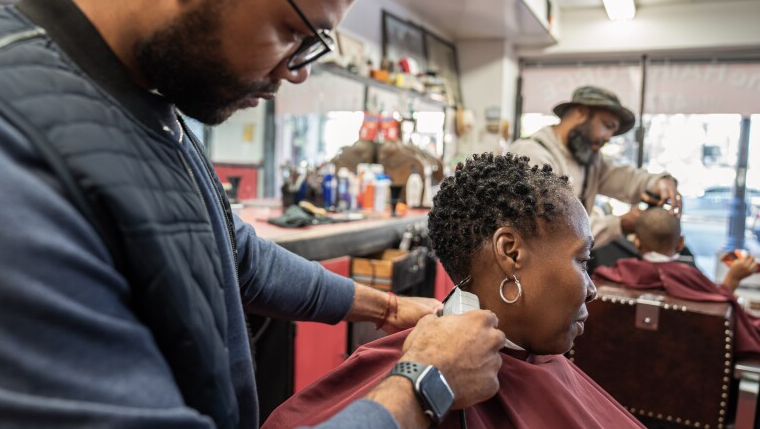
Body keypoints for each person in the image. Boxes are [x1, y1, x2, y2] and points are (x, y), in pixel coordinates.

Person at [0, 0, 505, 428]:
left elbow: (230, 253)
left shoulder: (141, 101)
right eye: (293, 32)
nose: (293, 71)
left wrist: (388, 308)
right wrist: (425, 385)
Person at [263, 153, 644, 428]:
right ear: (510, 252)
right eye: (583, 260)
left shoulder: (546, 362)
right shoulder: (392, 365)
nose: (592, 288)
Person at [509, 85, 682, 249]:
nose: (608, 137)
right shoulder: (532, 155)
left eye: (613, 132)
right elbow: (552, 229)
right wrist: (620, 223)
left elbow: (627, 180)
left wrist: (659, 182)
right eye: (607, 126)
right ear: (581, 112)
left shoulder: (590, 161)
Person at [594, 208, 760, 359]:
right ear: (680, 243)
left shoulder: (617, 272)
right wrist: (732, 280)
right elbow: (721, 310)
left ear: (636, 242)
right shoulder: (690, 278)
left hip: (623, 361)